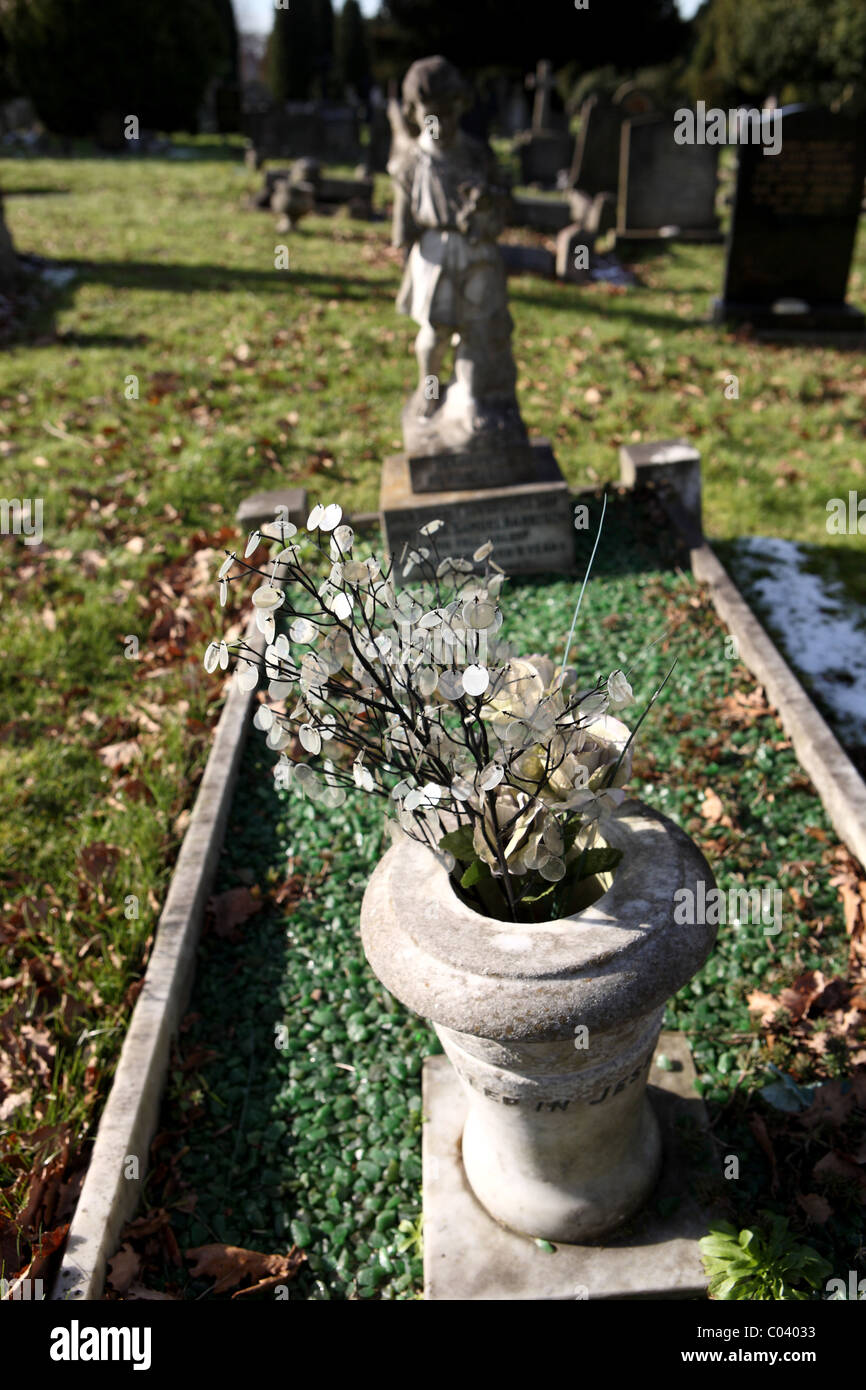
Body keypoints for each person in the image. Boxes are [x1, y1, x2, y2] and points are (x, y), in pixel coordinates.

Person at [389, 56, 523, 442]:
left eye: (447, 114)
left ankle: (473, 399)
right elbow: (404, 223)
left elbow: (506, 202)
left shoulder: (478, 154)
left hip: (477, 251)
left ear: (461, 107)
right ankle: (429, 393)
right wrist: (406, 254)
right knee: (435, 332)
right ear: (415, 113)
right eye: (431, 115)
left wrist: (489, 203)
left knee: (477, 330)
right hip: (434, 253)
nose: (440, 124)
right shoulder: (411, 161)